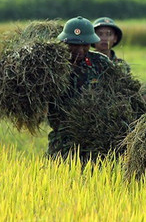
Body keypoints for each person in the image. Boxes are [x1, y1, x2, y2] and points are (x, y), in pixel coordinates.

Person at [46, 16, 114, 160]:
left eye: (85, 45)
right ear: (64, 42)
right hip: (62, 137)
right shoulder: (52, 65)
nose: (80, 50)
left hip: (95, 139)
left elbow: (118, 91)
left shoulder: (101, 63)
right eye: (74, 45)